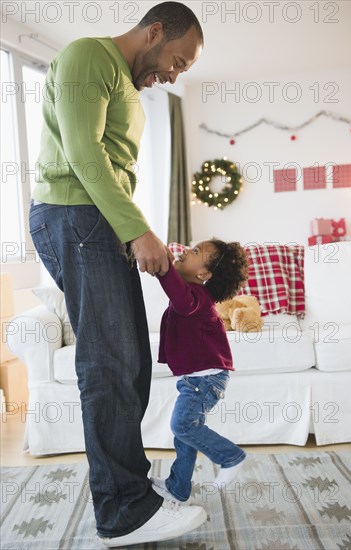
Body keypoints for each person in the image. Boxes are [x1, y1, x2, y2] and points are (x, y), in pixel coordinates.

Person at [29, 2, 207, 547]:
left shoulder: (128, 87)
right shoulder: (90, 55)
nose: (173, 75)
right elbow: (84, 154)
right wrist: (138, 232)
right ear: (154, 30)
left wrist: (140, 232)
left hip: (99, 223)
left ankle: (127, 481)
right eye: (176, 61)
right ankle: (123, 512)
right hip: (75, 216)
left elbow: (114, 167)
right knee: (107, 364)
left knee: (128, 363)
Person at [151, 239, 249, 503]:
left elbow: (178, 295)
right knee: (185, 435)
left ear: (204, 274)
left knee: (181, 425)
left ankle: (230, 456)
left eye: (195, 252)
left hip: (205, 379)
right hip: (197, 378)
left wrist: (164, 267)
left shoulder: (196, 297)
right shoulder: (195, 294)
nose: (186, 251)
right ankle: (177, 486)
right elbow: (177, 292)